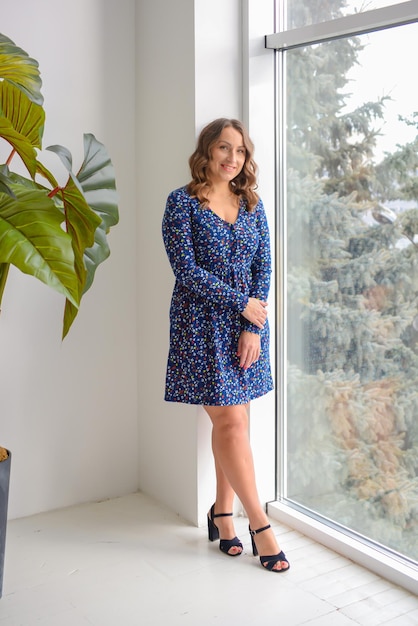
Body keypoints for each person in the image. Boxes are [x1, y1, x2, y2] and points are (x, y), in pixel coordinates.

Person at [162, 118, 289, 573]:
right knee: (232, 425)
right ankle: (260, 524)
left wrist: (252, 325)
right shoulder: (181, 203)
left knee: (235, 424)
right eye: (223, 148)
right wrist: (243, 305)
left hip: (247, 328)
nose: (232, 158)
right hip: (201, 327)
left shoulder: (252, 203)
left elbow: (263, 266)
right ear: (206, 152)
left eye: (240, 151)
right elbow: (187, 272)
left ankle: (221, 513)